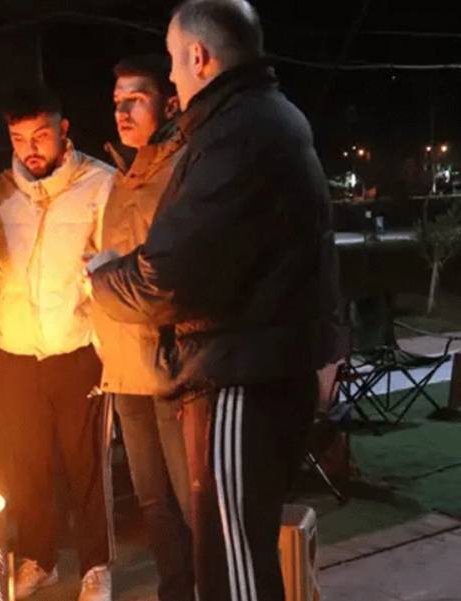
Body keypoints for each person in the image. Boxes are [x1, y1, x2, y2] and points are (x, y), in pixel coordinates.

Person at [88, 1, 343, 599]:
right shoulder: (260, 119)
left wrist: (102, 276)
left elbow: (169, 278)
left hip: (239, 376)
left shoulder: (236, 134)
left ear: (199, 57)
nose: (174, 80)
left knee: (231, 561)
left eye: (175, 64)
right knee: (235, 554)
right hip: (257, 365)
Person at [0, 85, 115, 601]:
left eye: (39, 136)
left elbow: (115, 262)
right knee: (26, 463)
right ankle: (38, 558)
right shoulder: (0, 193)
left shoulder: (100, 184)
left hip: (78, 349)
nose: (29, 148)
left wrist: (104, 340)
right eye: (18, 138)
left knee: (87, 465)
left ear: (63, 131)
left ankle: (96, 566)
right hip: (16, 352)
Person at [95, 54, 195, 601]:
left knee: (191, 498)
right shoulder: (124, 174)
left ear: (170, 102)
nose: (123, 111)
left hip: (170, 361)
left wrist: (109, 273)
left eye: (136, 98)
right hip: (124, 363)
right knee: (152, 500)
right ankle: (174, 591)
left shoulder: (183, 170)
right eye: (116, 102)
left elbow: (172, 270)